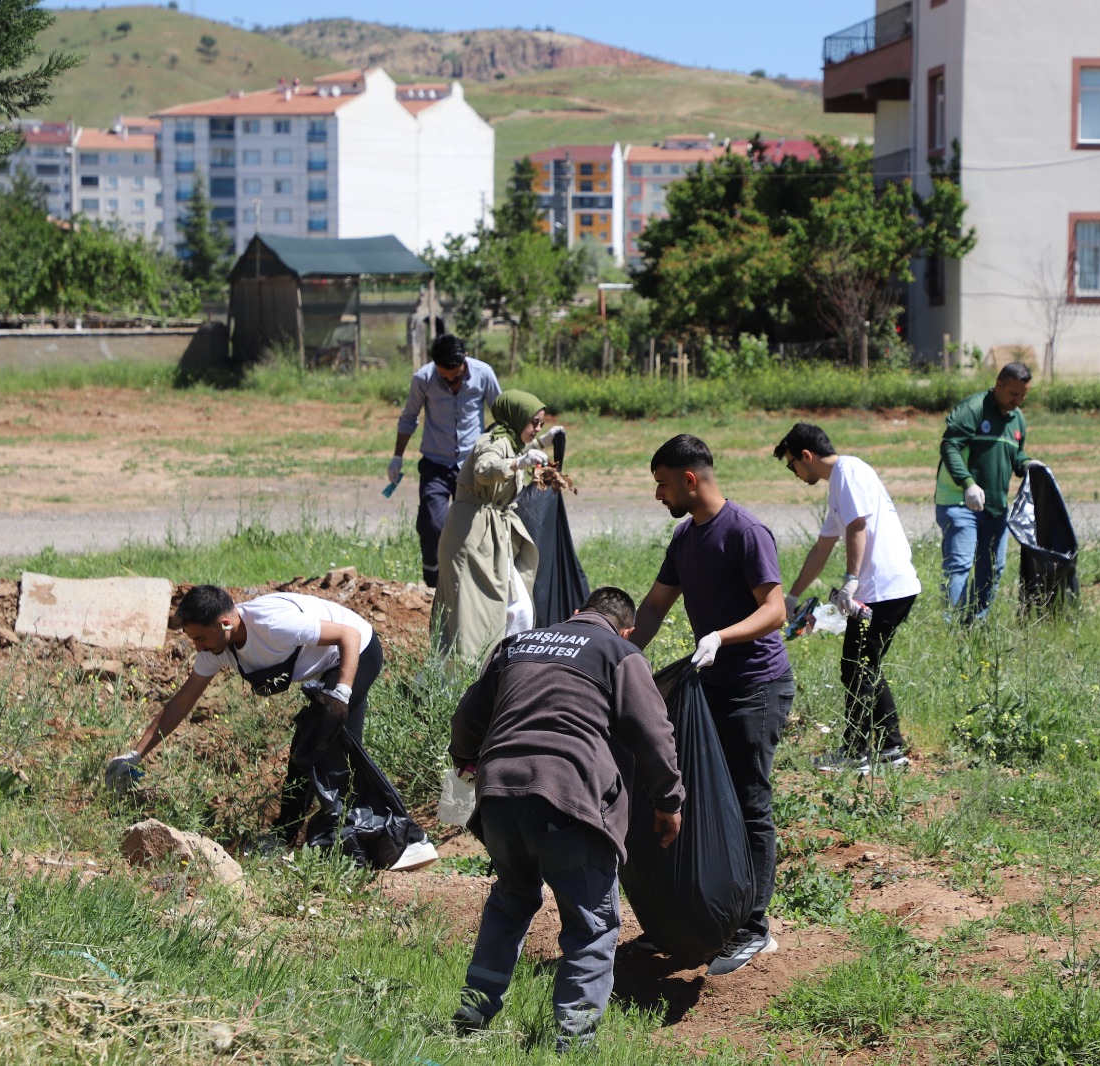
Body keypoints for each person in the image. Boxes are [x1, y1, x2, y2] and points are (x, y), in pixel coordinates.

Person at [448, 586, 684, 1051]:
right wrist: (669, 802)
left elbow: (466, 722)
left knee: (511, 902)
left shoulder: (519, 644)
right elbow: (654, 734)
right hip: (568, 799)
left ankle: (471, 1015)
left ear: (576, 614)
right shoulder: (620, 652)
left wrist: (465, 760)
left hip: (498, 797)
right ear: (628, 628)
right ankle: (575, 1042)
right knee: (592, 923)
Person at [103, 586, 438, 871]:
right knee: (308, 750)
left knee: (328, 750)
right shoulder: (218, 646)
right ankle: (288, 836)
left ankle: (408, 840)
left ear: (225, 622)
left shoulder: (273, 624)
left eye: (201, 638)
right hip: (328, 667)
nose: (198, 648)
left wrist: (341, 694)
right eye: (194, 640)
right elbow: (179, 703)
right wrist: (136, 754)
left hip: (357, 652)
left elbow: (347, 635)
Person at [630, 434, 790, 977]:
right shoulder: (685, 537)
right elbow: (655, 605)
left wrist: (722, 636)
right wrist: (621, 655)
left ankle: (754, 927)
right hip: (709, 688)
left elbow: (775, 610)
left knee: (748, 802)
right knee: (697, 797)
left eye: (662, 483)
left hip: (755, 687)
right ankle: (702, 913)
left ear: (689, 480)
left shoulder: (744, 532)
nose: (659, 494)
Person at [775, 423, 921, 774]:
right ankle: (889, 747)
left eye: (792, 464)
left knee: (856, 667)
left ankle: (857, 751)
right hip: (884, 590)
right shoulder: (841, 482)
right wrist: (792, 596)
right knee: (862, 666)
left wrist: (851, 582)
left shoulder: (848, 471)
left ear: (806, 456)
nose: (794, 472)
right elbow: (823, 547)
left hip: (885, 590)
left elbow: (858, 526)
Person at [433, 390, 552, 662]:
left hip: (494, 533)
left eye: (541, 424)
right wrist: (518, 464)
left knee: (518, 607)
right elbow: (484, 469)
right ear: (516, 417)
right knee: (468, 614)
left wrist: (542, 442)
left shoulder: (508, 440)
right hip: (472, 535)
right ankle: (458, 678)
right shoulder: (491, 441)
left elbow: (517, 451)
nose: (537, 428)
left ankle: (506, 666)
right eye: (534, 422)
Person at [388, 334, 502, 587]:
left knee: (477, 528)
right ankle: (433, 584)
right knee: (432, 524)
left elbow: (502, 413)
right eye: (444, 376)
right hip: (435, 464)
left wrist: (495, 449)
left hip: (472, 465)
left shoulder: (484, 374)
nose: (450, 381)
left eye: (456, 376)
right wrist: (397, 457)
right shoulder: (423, 378)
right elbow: (409, 417)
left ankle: (472, 584)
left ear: (465, 360)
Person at [936, 361, 1034, 623]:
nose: (1018, 401)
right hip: (959, 502)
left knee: (992, 569)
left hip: (995, 507)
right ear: (999, 384)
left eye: (1023, 395)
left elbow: (1016, 456)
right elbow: (950, 447)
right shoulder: (974, 409)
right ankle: (954, 630)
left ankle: (975, 627)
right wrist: (967, 483)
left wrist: (1028, 466)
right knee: (959, 567)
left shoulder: (1017, 419)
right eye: (1013, 394)